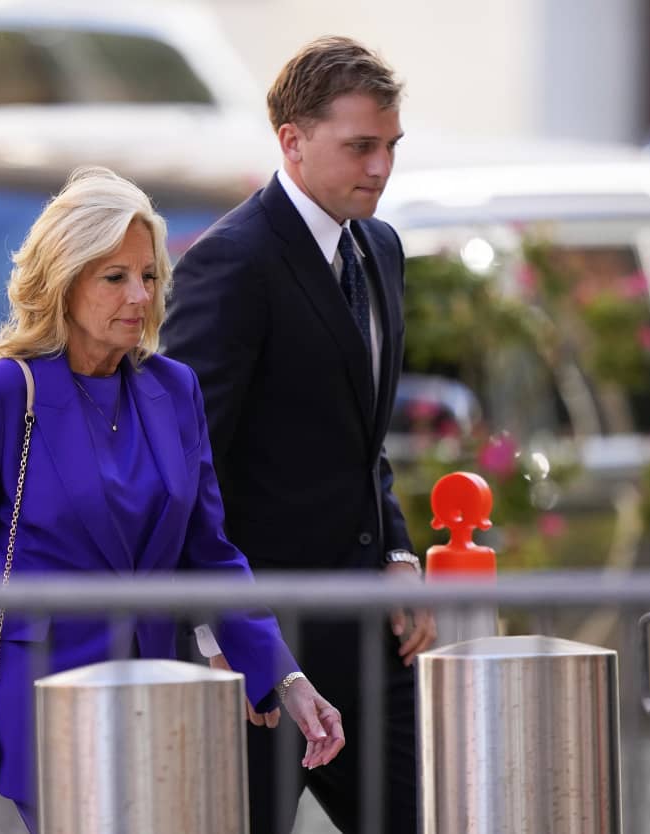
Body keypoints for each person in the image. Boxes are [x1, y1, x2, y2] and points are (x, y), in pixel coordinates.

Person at [0, 167, 346, 832]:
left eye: (149, 275)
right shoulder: (2, 394)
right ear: (65, 281)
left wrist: (284, 676)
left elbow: (211, 553)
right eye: (115, 277)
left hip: (157, 690)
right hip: (42, 699)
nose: (140, 295)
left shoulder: (175, 389)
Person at [161, 37, 437, 834]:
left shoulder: (379, 246)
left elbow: (360, 435)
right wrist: (216, 632)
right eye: (360, 147)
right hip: (261, 643)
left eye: (390, 147)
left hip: (367, 637)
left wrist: (395, 550)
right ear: (293, 140)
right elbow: (191, 459)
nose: (381, 167)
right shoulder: (231, 263)